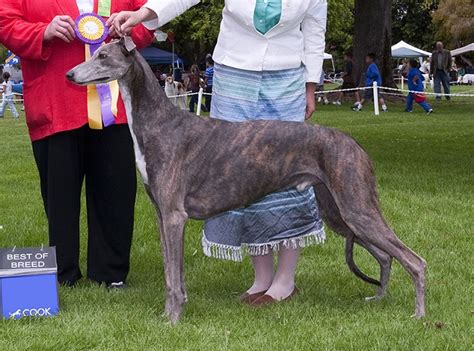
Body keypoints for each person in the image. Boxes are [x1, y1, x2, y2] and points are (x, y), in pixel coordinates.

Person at [109, 0, 327, 305]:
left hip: (287, 76)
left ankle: (285, 281)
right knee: (241, 177)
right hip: (234, 74)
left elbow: (316, 29)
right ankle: (261, 278)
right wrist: (141, 15)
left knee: (287, 177)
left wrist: (310, 85)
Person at [0, 0, 154, 288]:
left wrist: (128, 28)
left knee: (115, 191)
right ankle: (62, 271)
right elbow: (5, 23)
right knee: (59, 196)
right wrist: (42, 32)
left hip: (114, 111)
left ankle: (111, 272)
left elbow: (149, 21)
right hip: (54, 103)